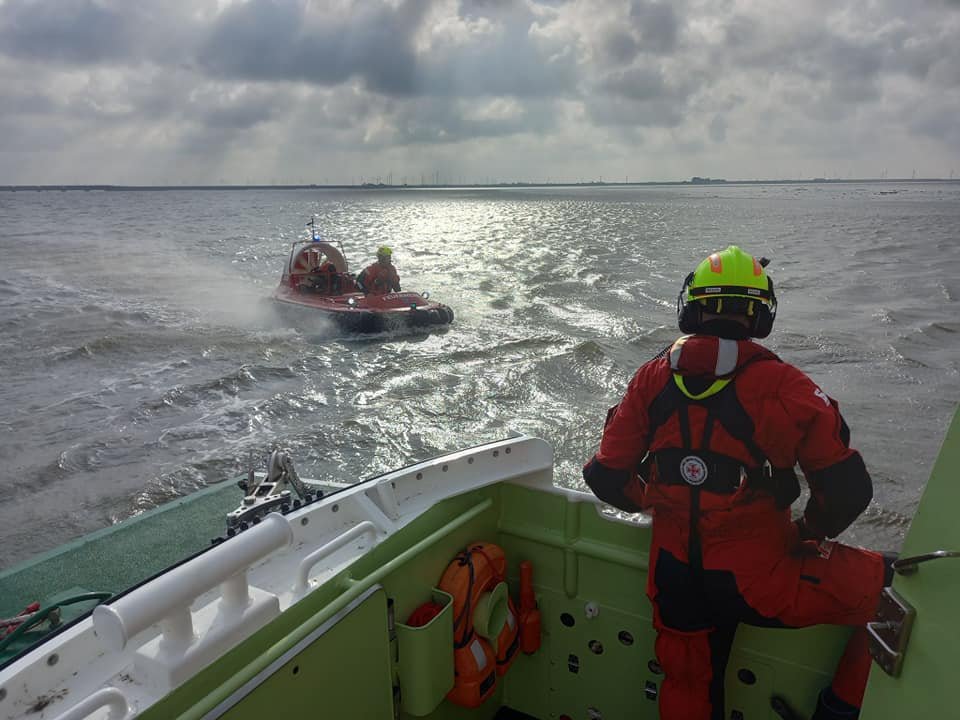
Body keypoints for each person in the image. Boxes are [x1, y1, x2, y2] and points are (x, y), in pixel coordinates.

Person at [582, 246, 889, 720]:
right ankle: (838, 712)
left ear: (692, 307)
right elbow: (848, 492)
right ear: (760, 316)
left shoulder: (650, 377)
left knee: (688, 685)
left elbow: (604, 474)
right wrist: (808, 531)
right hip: (761, 584)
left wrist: (655, 500)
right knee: (895, 595)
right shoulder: (787, 386)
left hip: (673, 581)